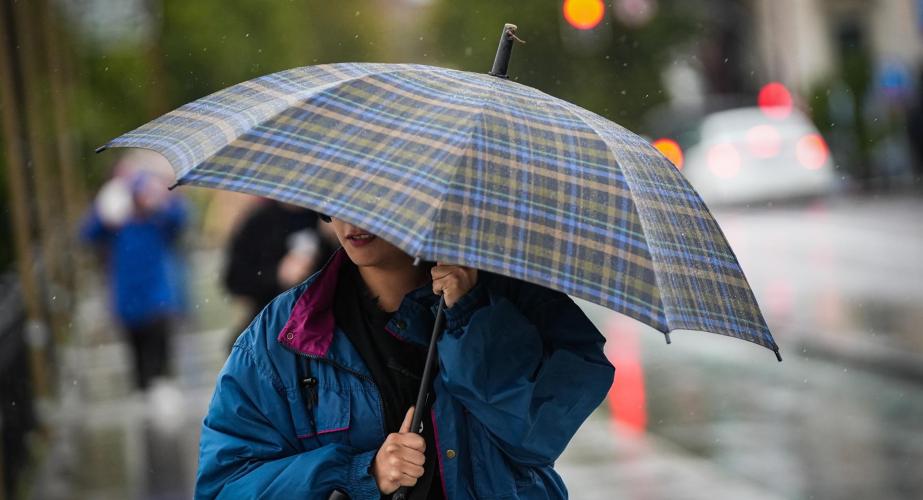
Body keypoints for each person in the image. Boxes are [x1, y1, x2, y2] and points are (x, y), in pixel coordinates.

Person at [195, 217, 615, 499]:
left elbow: (534, 437)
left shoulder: (514, 298)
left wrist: (473, 318)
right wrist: (359, 473)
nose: (352, 220)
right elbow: (226, 485)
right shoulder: (283, 335)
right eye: (341, 195)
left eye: (369, 196)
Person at [81, 168, 188, 391]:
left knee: (160, 359)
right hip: (128, 304)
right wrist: (102, 214)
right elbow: (87, 234)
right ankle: (147, 397)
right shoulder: (118, 225)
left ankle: (161, 391)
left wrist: (166, 198)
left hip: (158, 302)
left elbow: (181, 219)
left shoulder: (159, 221)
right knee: (139, 364)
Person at [222, 199, 336, 349]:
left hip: (322, 325)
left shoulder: (326, 220)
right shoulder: (258, 222)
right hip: (271, 325)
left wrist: (332, 240)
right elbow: (234, 279)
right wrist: (277, 274)